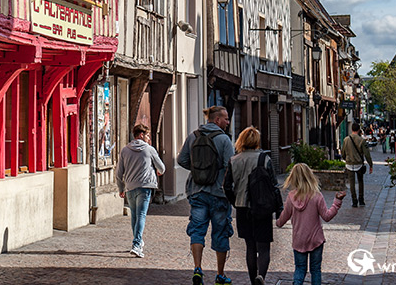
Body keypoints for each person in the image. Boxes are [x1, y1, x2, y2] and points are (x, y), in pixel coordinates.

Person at [178, 106, 236, 285]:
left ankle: (197, 269)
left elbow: (182, 160)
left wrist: (198, 170)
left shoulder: (193, 136)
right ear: (217, 120)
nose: (227, 122)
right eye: (225, 119)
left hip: (197, 191)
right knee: (221, 233)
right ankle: (220, 274)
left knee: (197, 230)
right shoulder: (224, 139)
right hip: (219, 193)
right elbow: (231, 165)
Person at [224, 127, 283, 285]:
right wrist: (279, 209)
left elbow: (227, 186)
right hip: (262, 207)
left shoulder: (234, 160)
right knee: (263, 247)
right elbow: (274, 186)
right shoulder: (265, 159)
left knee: (250, 246)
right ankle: (261, 277)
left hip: (243, 207)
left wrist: (235, 201)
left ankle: (253, 280)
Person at [276, 163, 346, 285]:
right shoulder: (316, 195)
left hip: (299, 240)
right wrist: (337, 202)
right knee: (315, 270)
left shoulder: (291, 197)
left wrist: (277, 222)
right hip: (316, 240)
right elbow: (327, 216)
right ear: (310, 176)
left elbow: (282, 219)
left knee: (299, 269)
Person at [116, 123, 165, 258]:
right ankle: (137, 244)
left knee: (135, 215)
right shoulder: (149, 150)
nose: (149, 138)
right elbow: (161, 167)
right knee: (141, 215)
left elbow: (119, 173)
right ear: (141, 135)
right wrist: (159, 172)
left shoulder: (125, 150)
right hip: (145, 187)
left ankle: (137, 241)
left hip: (130, 187)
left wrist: (121, 188)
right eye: (148, 135)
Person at [341, 122, 374, 207]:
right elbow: (367, 154)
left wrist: (346, 159)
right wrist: (370, 164)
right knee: (360, 181)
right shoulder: (361, 140)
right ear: (359, 130)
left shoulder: (346, 139)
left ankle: (354, 201)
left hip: (349, 164)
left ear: (351, 129)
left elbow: (343, 153)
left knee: (351, 183)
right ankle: (361, 199)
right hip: (358, 163)